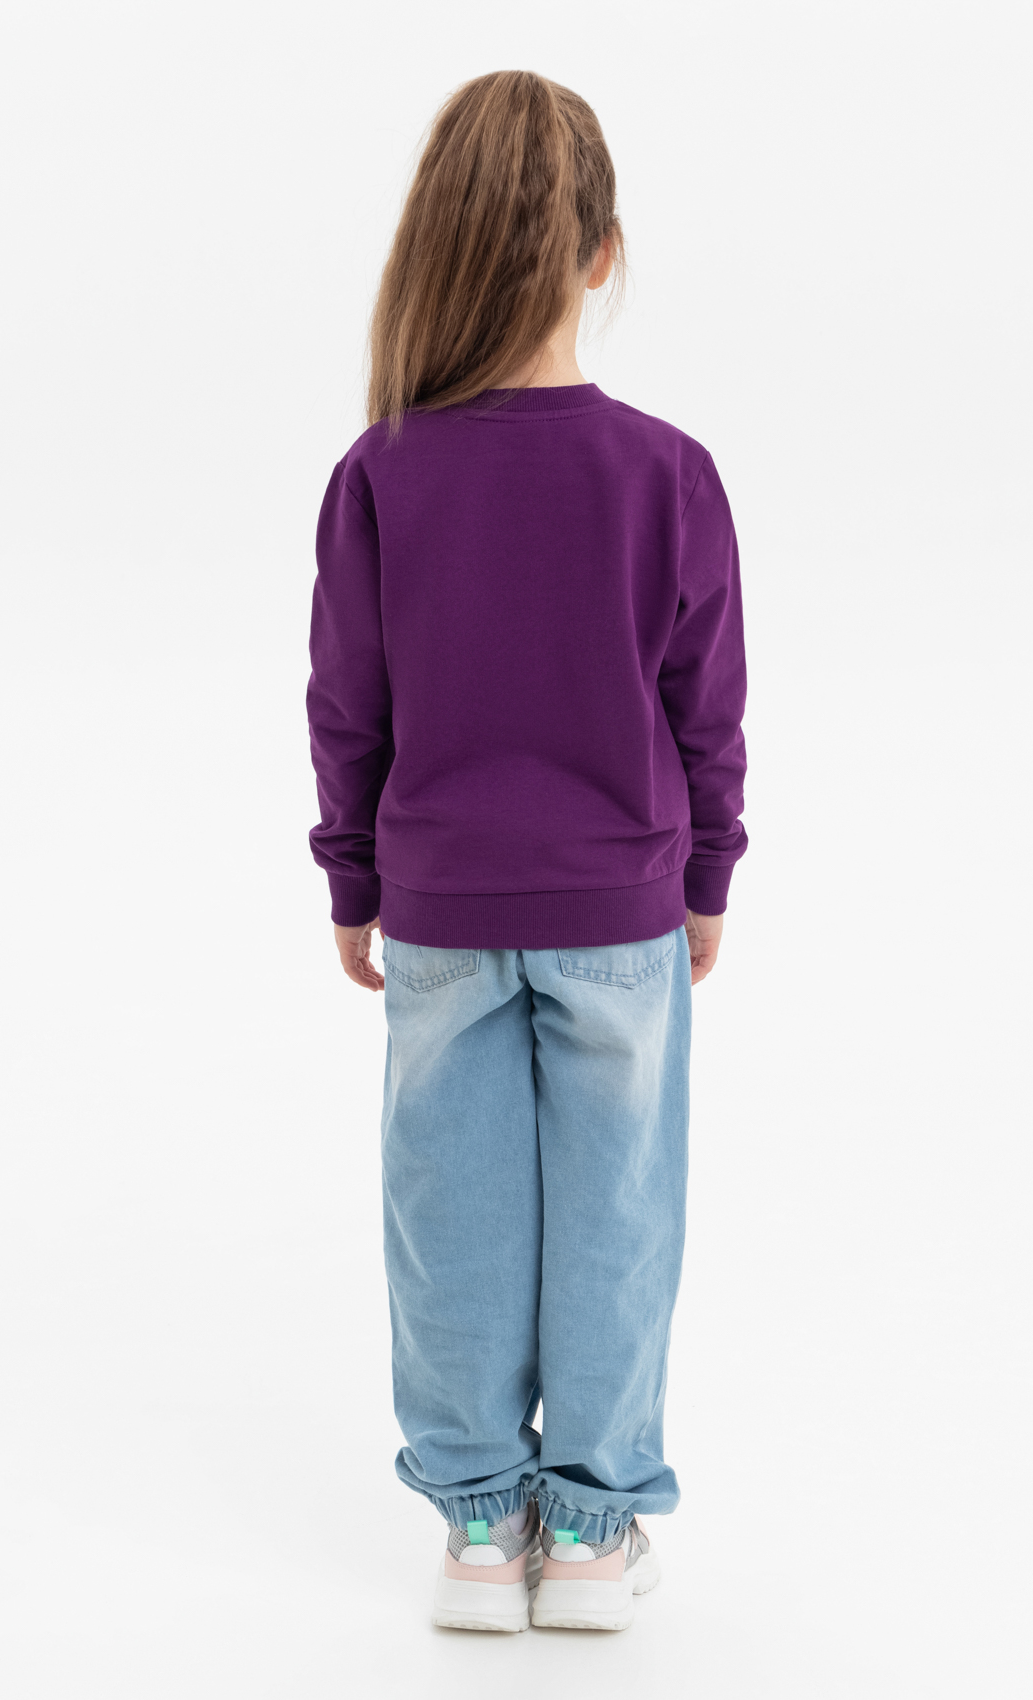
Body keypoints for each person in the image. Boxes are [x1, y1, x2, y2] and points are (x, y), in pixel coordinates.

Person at [306, 69, 747, 1634]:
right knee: (618, 1211)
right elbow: (707, 707)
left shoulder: (382, 471)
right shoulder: (668, 474)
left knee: (455, 1211)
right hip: (621, 906)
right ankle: (596, 1533)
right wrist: (708, 877)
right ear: (602, 253)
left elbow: (348, 704)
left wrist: (353, 880)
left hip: (440, 904)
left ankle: (482, 1529)